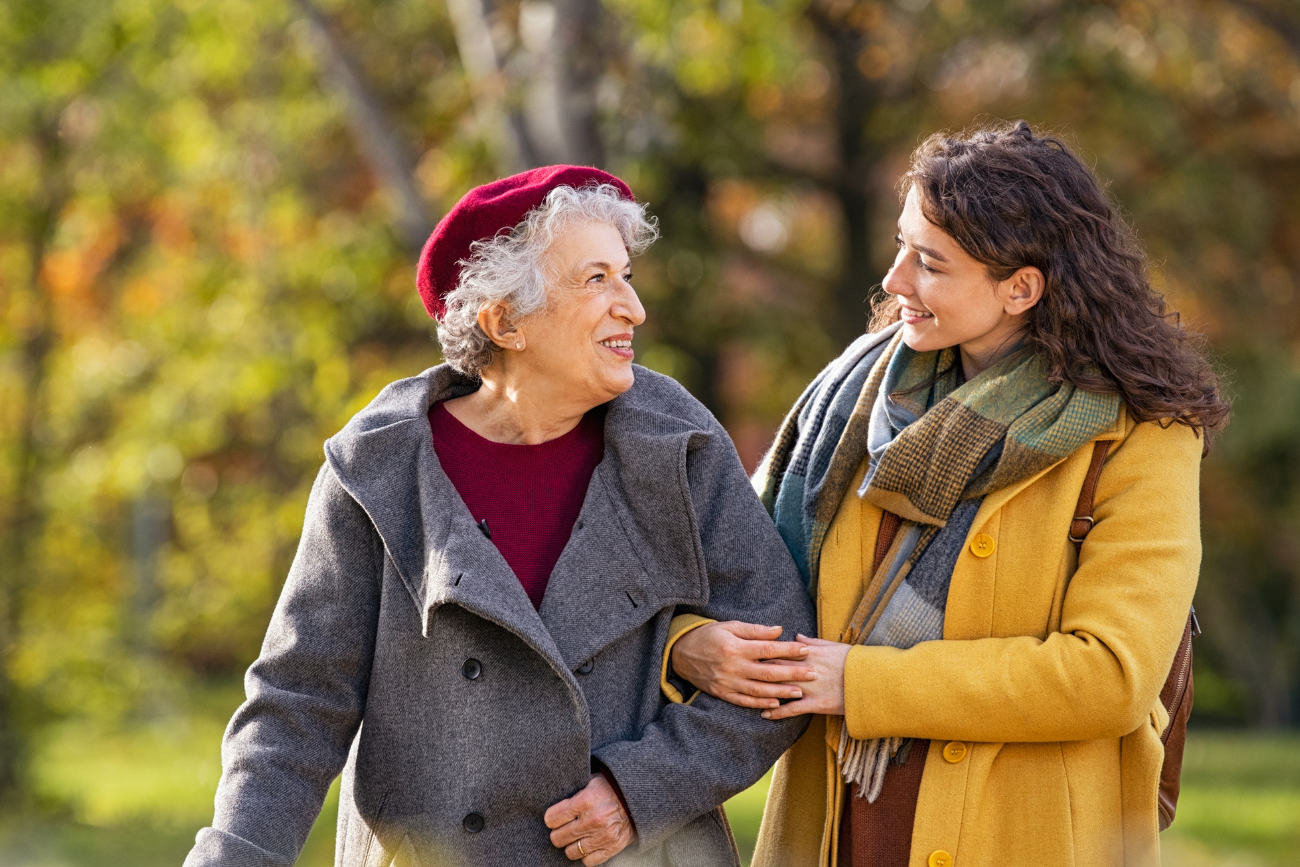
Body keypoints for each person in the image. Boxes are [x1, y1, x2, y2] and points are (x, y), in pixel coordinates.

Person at [183, 165, 816, 867]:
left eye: (627, 275)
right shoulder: (379, 468)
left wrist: (641, 789)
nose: (632, 307)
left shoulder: (677, 444)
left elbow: (779, 658)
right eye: (596, 280)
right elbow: (298, 704)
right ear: (504, 320)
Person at [664, 122, 1229, 867]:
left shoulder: (1141, 434)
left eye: (929, 263)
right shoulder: (852, 403)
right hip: (834, 829)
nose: (895, 279)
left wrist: (864, 682)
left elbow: (1109, 675)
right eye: (902, 246)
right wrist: (689, 645)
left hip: (1024, 839)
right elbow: (724, 570)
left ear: (1020, 287)